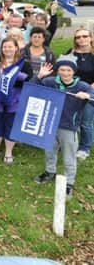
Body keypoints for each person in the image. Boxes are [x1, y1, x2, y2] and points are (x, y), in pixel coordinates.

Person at [34, 56, 94, 199]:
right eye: (62, 69)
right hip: (50, 123)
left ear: (73, 71)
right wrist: (39, 77)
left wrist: (87, 96)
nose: (65, 73)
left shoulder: (82, 86)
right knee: (49, 150)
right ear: (58, 70)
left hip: (69, 127)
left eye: (68, 70)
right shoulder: (50, 82)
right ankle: (50, 172)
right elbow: (32, 90)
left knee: (69, 156)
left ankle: (69, 182)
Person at [66, 28, 94, 160]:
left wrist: (88, 90)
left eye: (84, 36)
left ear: (91, 38)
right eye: (78, 37)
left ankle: (84, 148)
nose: (81, 39)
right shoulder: (71, 53)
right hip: (72, 91)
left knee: (86, 122)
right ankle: (69, 143)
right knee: (70, 119)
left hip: (89, 92)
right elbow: (63, 69)